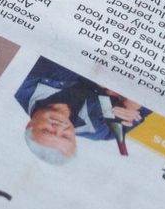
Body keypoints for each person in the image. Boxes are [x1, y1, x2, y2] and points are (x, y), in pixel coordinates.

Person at [15, 57, 150, 164]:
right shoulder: (103, 131)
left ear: (29, 125)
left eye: (48, 131)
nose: (59, 128)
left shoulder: (19, 82)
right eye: (65, 136)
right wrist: (134, 103)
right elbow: (149, 106)